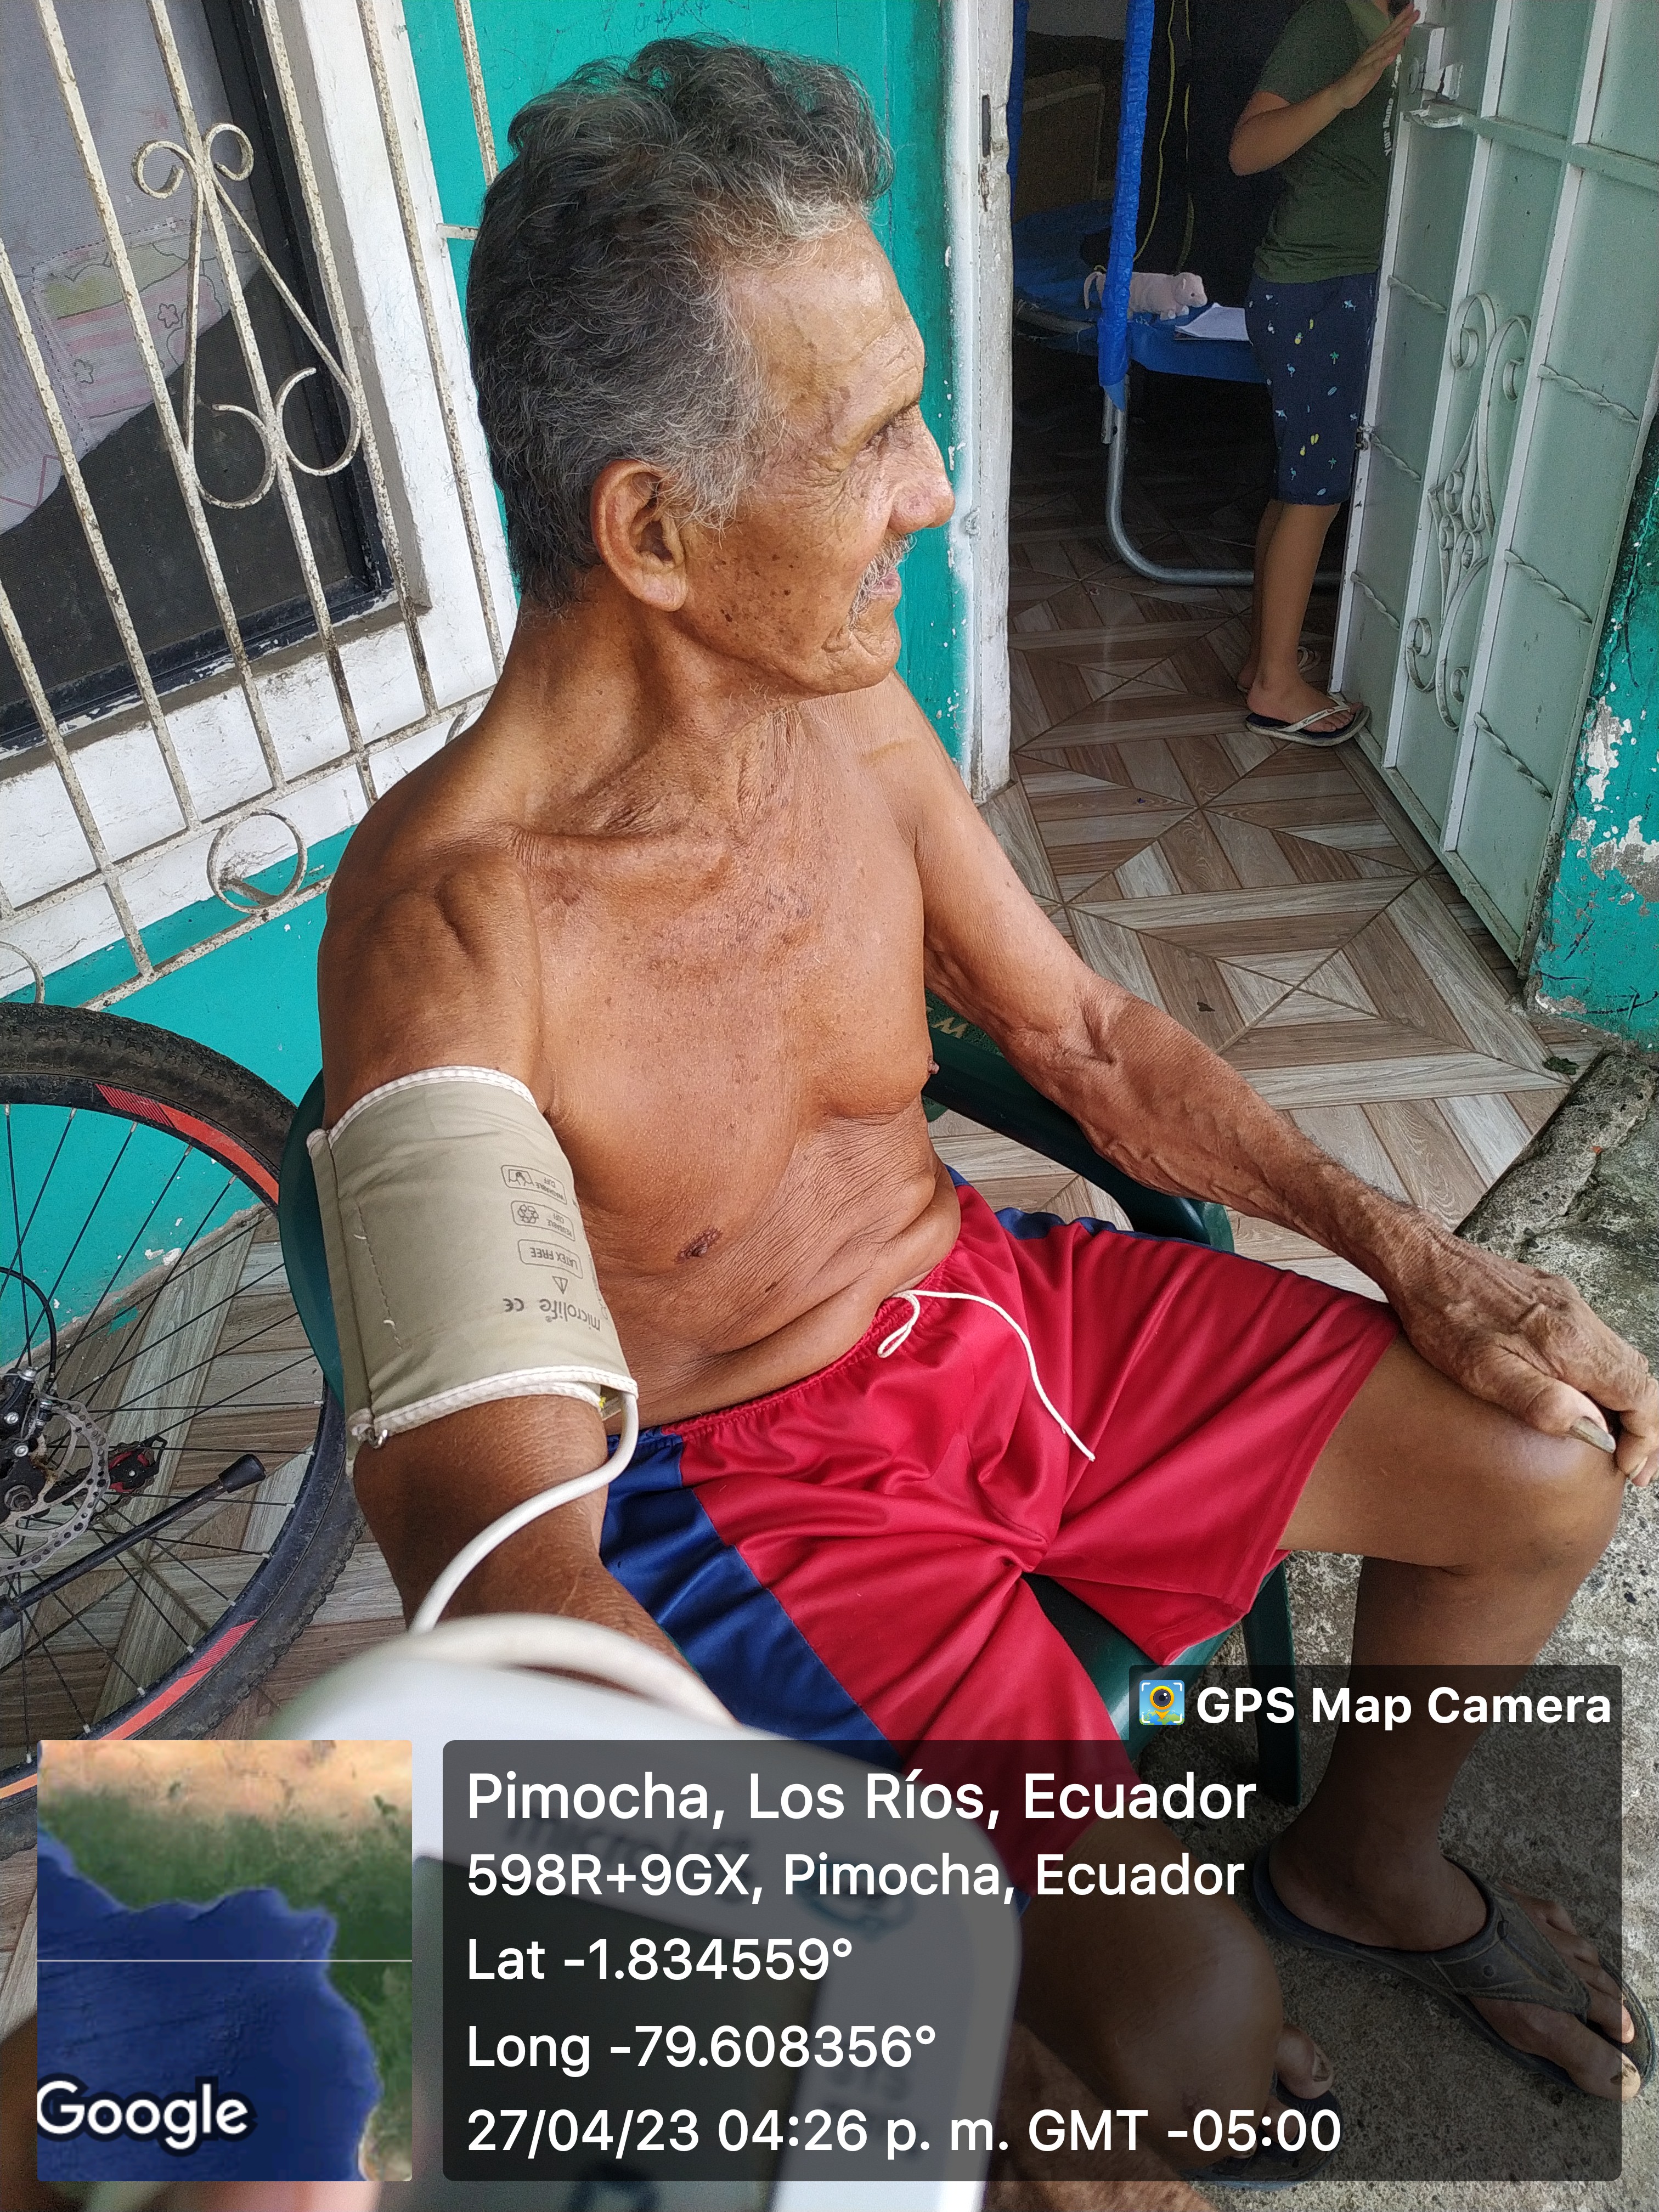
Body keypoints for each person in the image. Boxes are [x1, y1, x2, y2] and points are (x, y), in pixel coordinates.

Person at [313, 35, 1652, 2170]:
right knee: (1175, 2030)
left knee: (1541, 1460)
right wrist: (860, 1997)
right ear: (653, 528)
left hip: (999, 1317)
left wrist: (1423, 1258)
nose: (937, 487)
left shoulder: (840, 707)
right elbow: (499, 1564)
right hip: (755, 1493)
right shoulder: (451, 934)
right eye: (874, 439)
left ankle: (1359, 1867)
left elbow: (1092, 1043)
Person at [1231, 0, 1419, 742]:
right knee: (1315, 491)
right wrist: (1343, 92)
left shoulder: (1402, 18)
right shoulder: (1330, 21)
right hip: (1317, 288)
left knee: (1300, 484)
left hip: (1338, 284)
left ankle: (1263, 661)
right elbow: (1246, 151)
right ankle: (1276, 686)